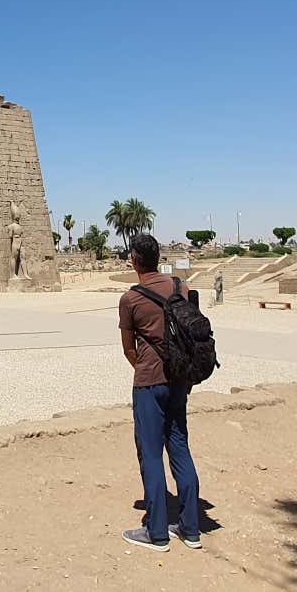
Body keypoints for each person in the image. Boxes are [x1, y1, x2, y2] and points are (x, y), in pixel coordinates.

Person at [118, 233, 201, 552]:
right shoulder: (180, 286)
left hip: (149, 382)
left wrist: (146, 368)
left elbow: (129, 349)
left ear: (135, 261)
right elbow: (192, 327)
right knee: (180, 447)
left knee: (151, 454)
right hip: (181, 380)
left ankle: (157, 533)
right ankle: (191, 529)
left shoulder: (130, 299)